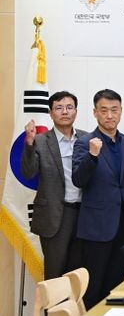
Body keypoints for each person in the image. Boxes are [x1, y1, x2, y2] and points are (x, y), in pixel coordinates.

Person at [72, 89, 124, 309]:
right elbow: (79, 180)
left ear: (121, 111)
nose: (109, 115)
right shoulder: (84, 142)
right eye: (104, 110)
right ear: (95, 112)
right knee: (93, 288)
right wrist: (92, 156)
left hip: (123, 227)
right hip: (97, 228)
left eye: (114, 110)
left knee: (116, 287)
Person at [21, 91, 86, 280]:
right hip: (55, 215)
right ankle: (53, 302)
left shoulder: (87, 138)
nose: (65, 112)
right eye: (59, 108)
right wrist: (29, 143)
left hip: (84, 214)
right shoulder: (40, 140)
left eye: (69, 107)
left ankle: (75, 303)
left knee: (78, 275)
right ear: (50, 113)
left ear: (76, 112)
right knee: (55, 274)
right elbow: (28, 173)